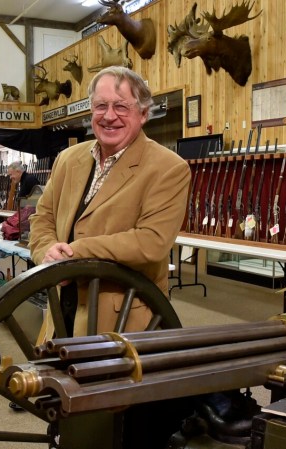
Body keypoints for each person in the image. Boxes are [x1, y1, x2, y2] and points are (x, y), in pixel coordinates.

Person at [29, 66, 191, 336]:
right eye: (100, 106)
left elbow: (151, 242)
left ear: (143, 113)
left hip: (121, 322)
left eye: (121, 106)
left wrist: (74, 254)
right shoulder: (68, 159)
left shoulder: (168, 167)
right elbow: (42, 218)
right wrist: (47, 252)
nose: (109, 116)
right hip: (61, 309)